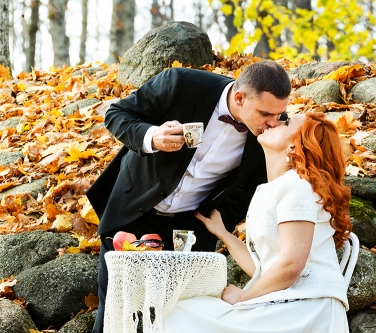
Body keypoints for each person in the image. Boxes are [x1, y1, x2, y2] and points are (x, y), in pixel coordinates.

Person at [86, 60, 291, 333]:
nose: (273, 123)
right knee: (118, 306)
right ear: (239, 98)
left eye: (280, 114)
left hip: (192, 226)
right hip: (136, 212)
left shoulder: (274, 130)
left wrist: (220, 219)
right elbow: (117, 114)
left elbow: (253, 185)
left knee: (185, 314)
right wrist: (152, 136)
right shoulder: (181, 83)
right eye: (266, 113)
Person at [162, 112, 352, 332]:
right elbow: (265, 269)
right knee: (180, 310)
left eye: (286, 122)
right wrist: (223, 233)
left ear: (294, 146)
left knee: (178, 313)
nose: (275, 121)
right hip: (289, 303)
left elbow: (291, 265)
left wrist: (243, 297)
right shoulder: (271, 188)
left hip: (308, 308)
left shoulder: (297, 186)